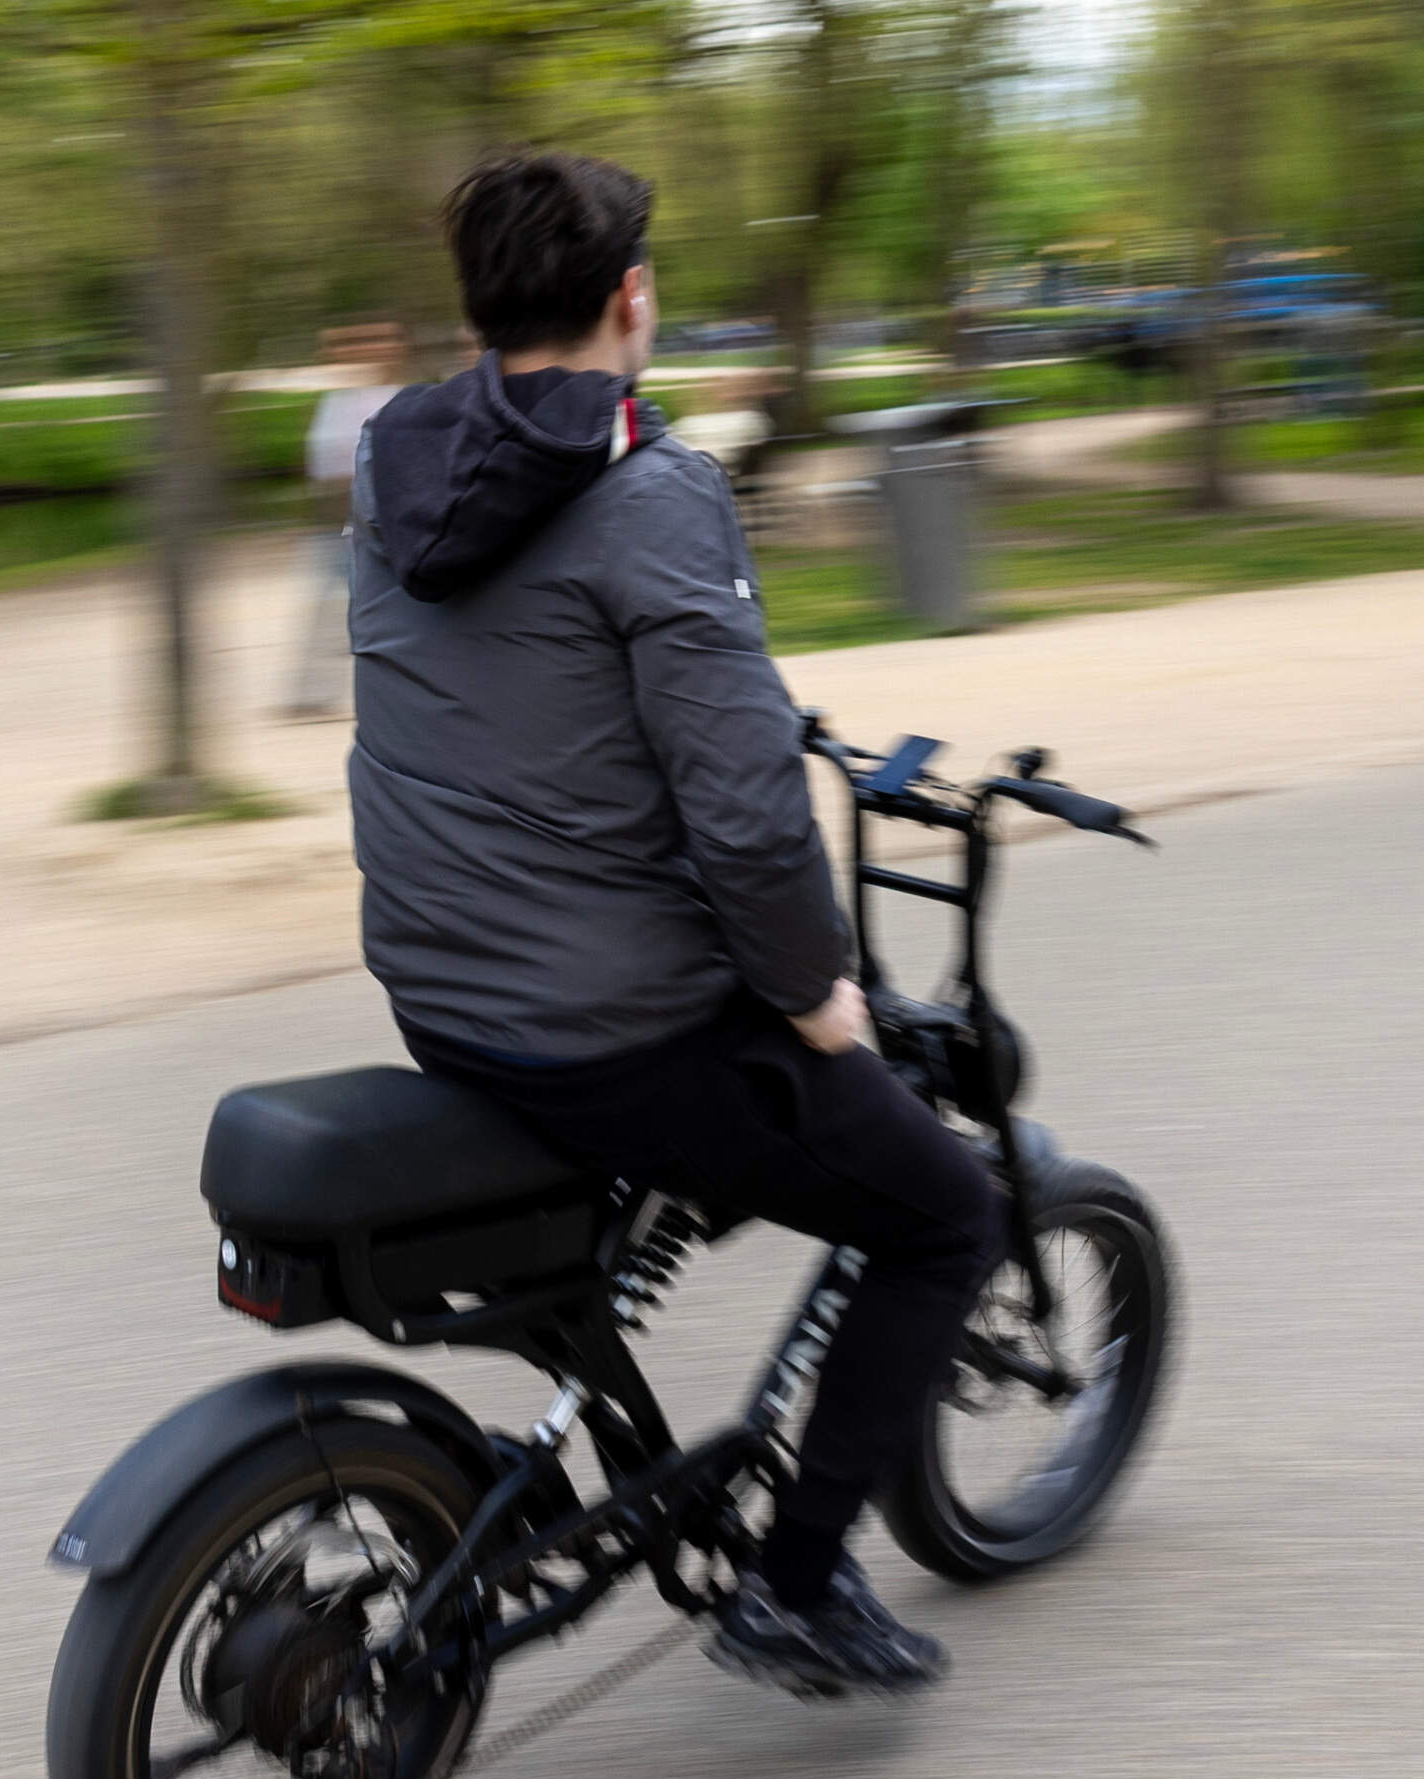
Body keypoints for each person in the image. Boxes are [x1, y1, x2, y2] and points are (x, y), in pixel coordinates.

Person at [348, 151, 1002, 1698]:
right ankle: (793, 1584)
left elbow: (518, 702)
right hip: (611, 1027)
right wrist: (814, 988)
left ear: (478, 310)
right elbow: (745, 817)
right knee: (942, 1212)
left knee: (740, 1136)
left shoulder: (393, 465)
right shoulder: (654, 490)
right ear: (630, 299)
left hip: (440, 991)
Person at [283, 322, 411, 717]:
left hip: (373, 521)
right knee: (341, 605)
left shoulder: (395, 398)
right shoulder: (339, 401)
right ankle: (314, 691)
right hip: (344, 522)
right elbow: (324, 468)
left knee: (369, 604)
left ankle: (321, 690)